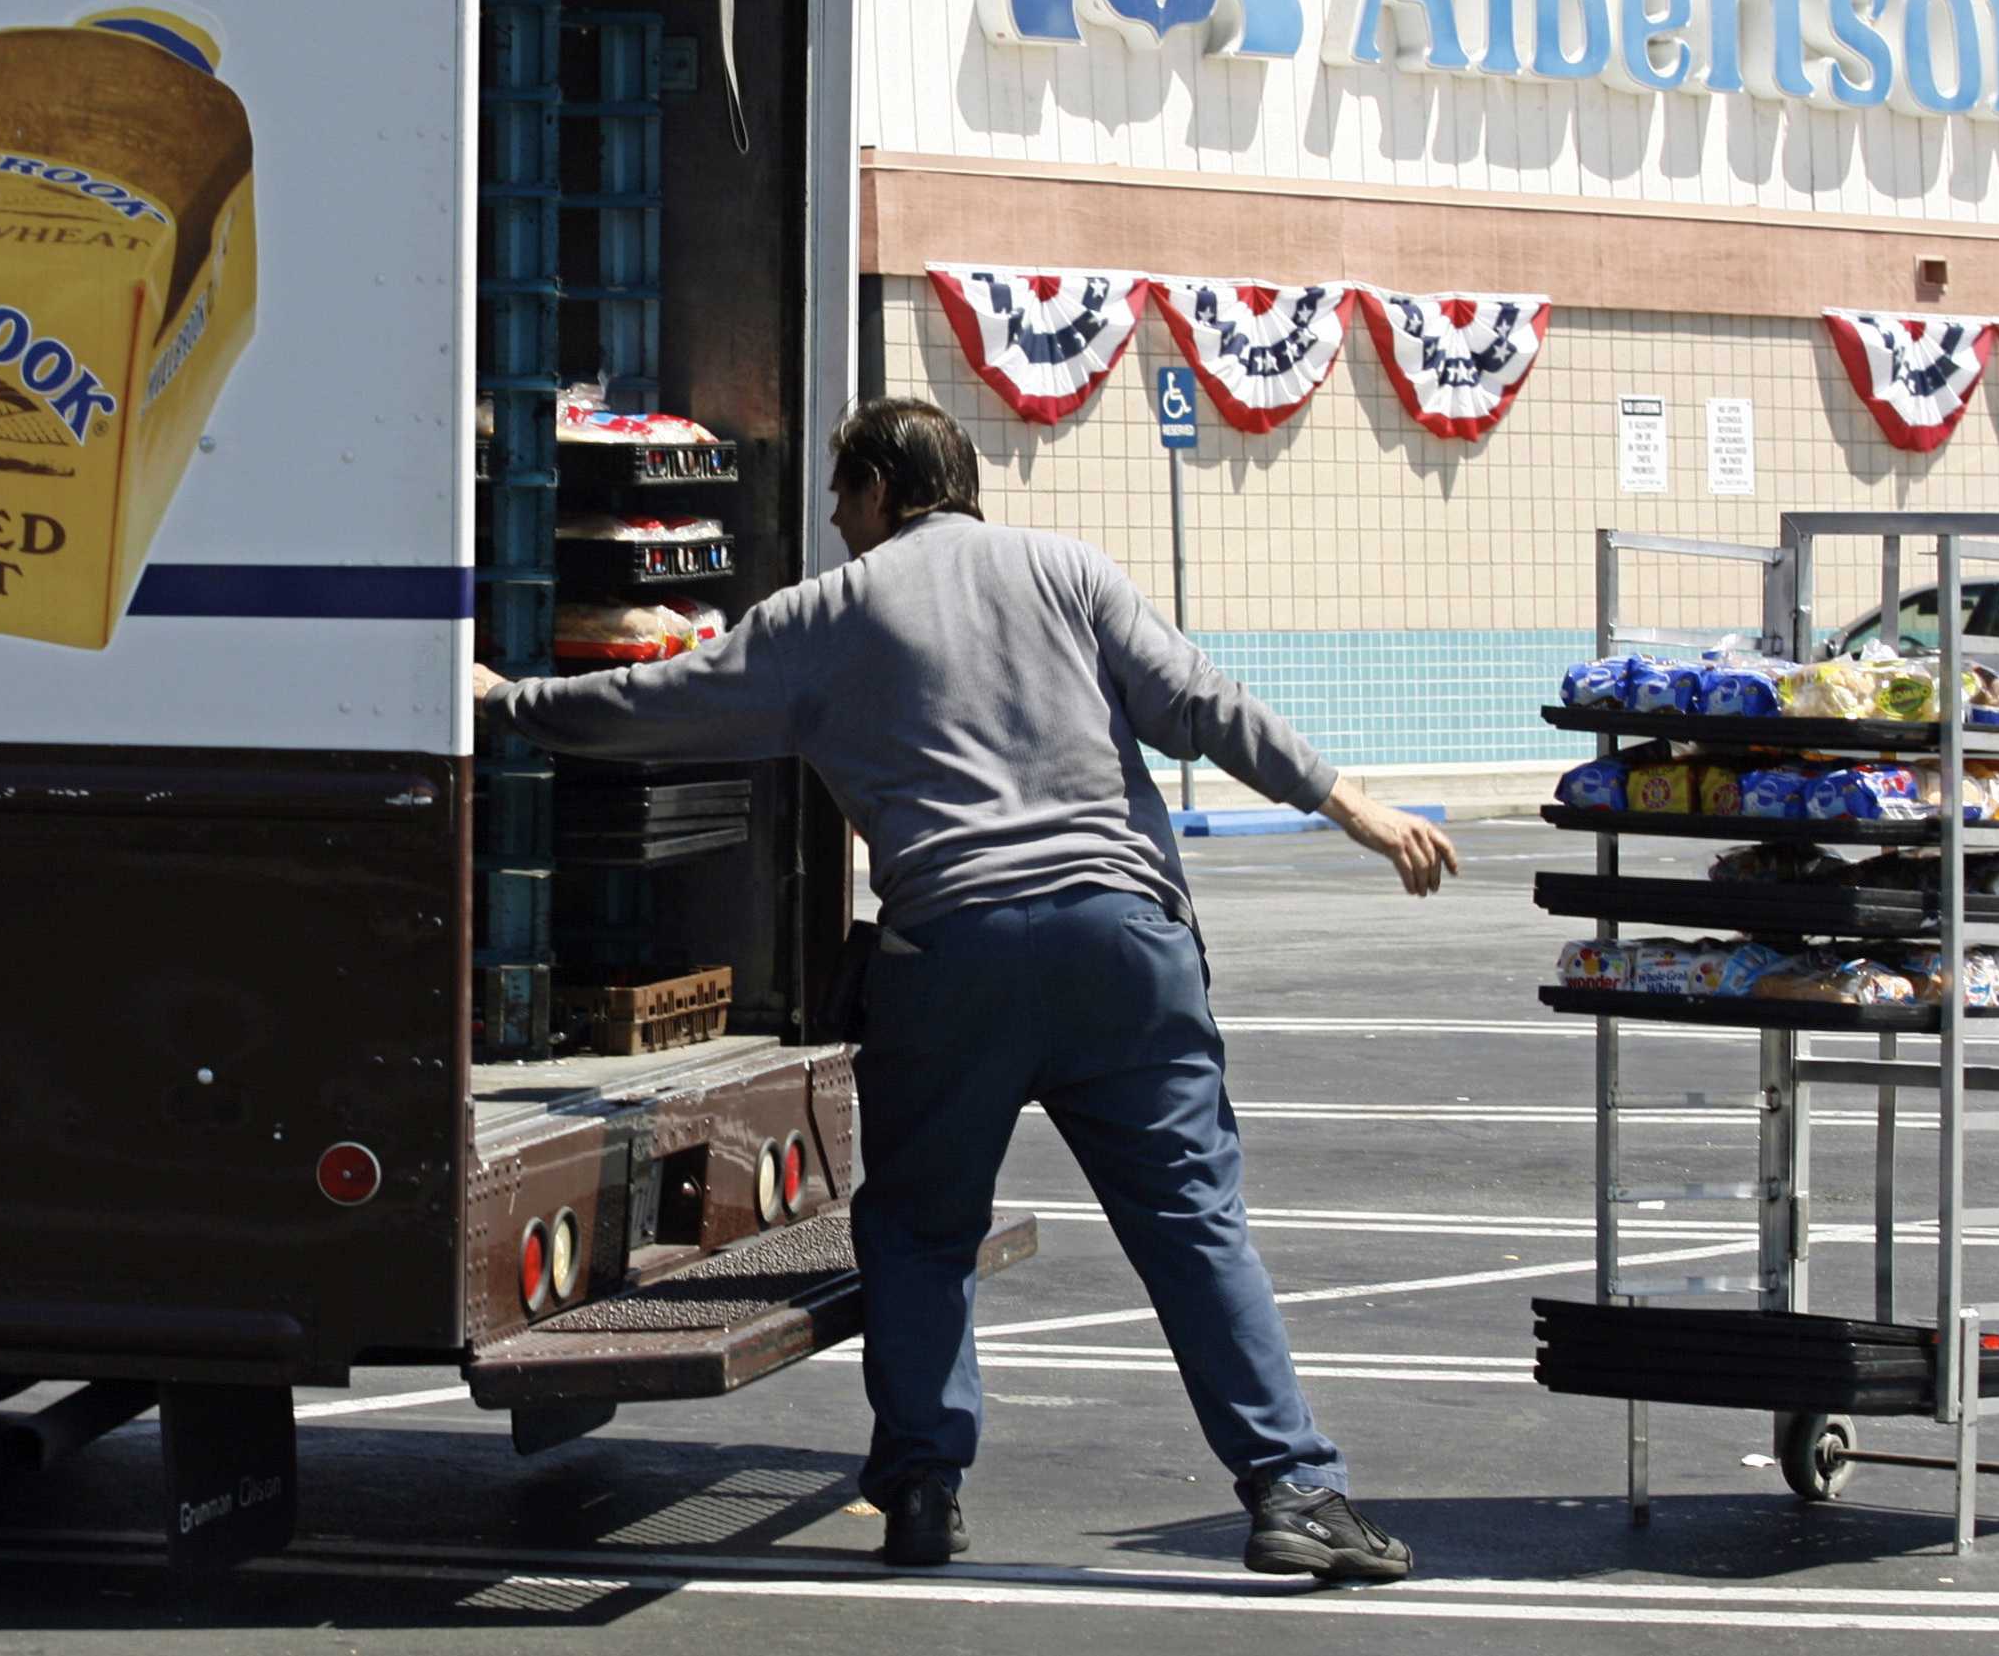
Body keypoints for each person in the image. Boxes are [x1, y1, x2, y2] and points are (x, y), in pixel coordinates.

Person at [471, 396, 1457, 1583]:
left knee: (922, 1233)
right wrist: (1351, 803)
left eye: (842, 497)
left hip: (953, 956)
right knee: (1196, 1230)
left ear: (884, 487)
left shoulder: (823, 616)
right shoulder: (1070, 572)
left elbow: (651, 708)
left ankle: (924, 1489)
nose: (837, 523)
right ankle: (1296, 1491)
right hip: (1124, 950)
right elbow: (1203, 703)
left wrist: (502, 704)